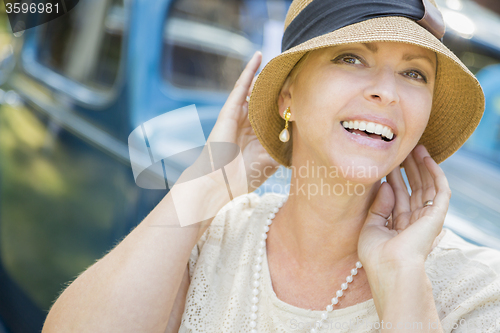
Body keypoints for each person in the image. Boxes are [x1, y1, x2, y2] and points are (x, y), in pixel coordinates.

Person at [42, 0, 500, 332]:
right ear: (288, 97)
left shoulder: (475, 287)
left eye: (414, 72)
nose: (388, 91)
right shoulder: (214, 239)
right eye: (351, 57)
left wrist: (402, 278)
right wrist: (204, 189)